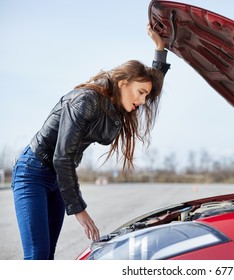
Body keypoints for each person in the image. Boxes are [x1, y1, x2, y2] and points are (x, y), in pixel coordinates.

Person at [11, 24, 170, 260]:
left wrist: (160, 48)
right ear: (123, 82)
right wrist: (80, 210)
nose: (144, 100)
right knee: (37, 256)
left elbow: (153, 86)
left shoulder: (119, 105)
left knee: (47, 256)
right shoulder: (86, 101)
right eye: (141, 92)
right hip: (32, 173)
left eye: (146, 95)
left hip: (57, 177)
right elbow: (62, 157)